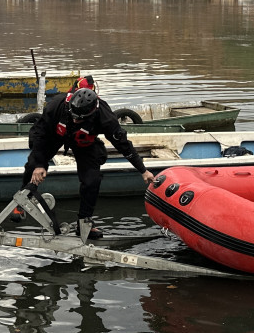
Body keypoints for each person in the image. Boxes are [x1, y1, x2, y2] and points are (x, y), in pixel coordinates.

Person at [21, 79, 155, 240]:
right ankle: (21, 204)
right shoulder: (56, 105)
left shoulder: (105, 117)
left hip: (84, 142)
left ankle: (84, 222)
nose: (76, 120)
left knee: (92, 179)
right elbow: (39, 134)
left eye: (80, 118)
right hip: (56, 135)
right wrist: (40, 164)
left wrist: (143, 170)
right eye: (74, 116)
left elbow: (123, 144)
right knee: (32, 164)